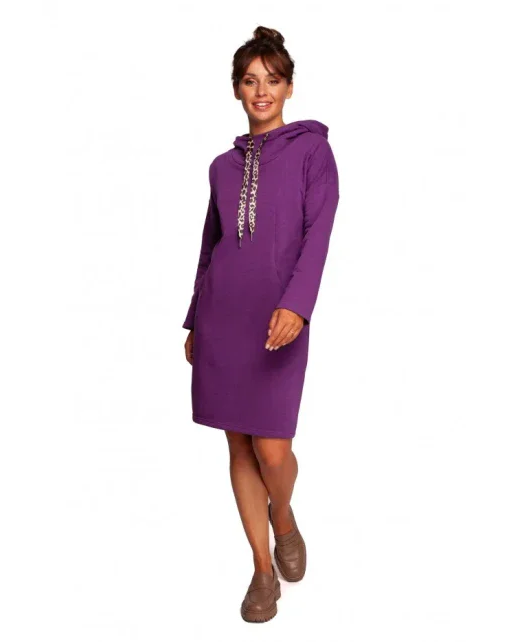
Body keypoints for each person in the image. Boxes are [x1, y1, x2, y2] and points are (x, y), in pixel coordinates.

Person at [182, 26, 340, 623]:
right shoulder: (221, 167)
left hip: (279, 319)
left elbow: (318, 235)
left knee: (273, 449)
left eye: (272, 80)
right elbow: (210, 246)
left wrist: (297, 305)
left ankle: (284, 517)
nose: (261, 90)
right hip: (222, 319)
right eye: (250, 81)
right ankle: (261, 569)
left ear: (289, 87)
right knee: (238, 444)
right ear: (236, 90)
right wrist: (194, 320)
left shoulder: (312, 152)